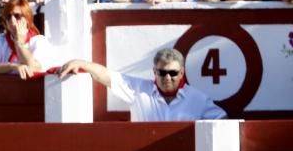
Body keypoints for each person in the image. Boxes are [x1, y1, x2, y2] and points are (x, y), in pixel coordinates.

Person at [59, 48, 227, 121]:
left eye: (173, 73)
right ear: (154, 72)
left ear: (182, 73)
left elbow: (223, 120)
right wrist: (82, 63)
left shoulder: (197, 98)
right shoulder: (138, 89)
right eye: (162, 72)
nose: (167, 77)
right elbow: (106, 75)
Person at [0, 0, 60, 78]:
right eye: (8, 17)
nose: (12, 20)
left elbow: (34, 68)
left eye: (17, 16)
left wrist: (19, 43)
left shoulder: (39, 41)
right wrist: (12, 66)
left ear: (27, 18)